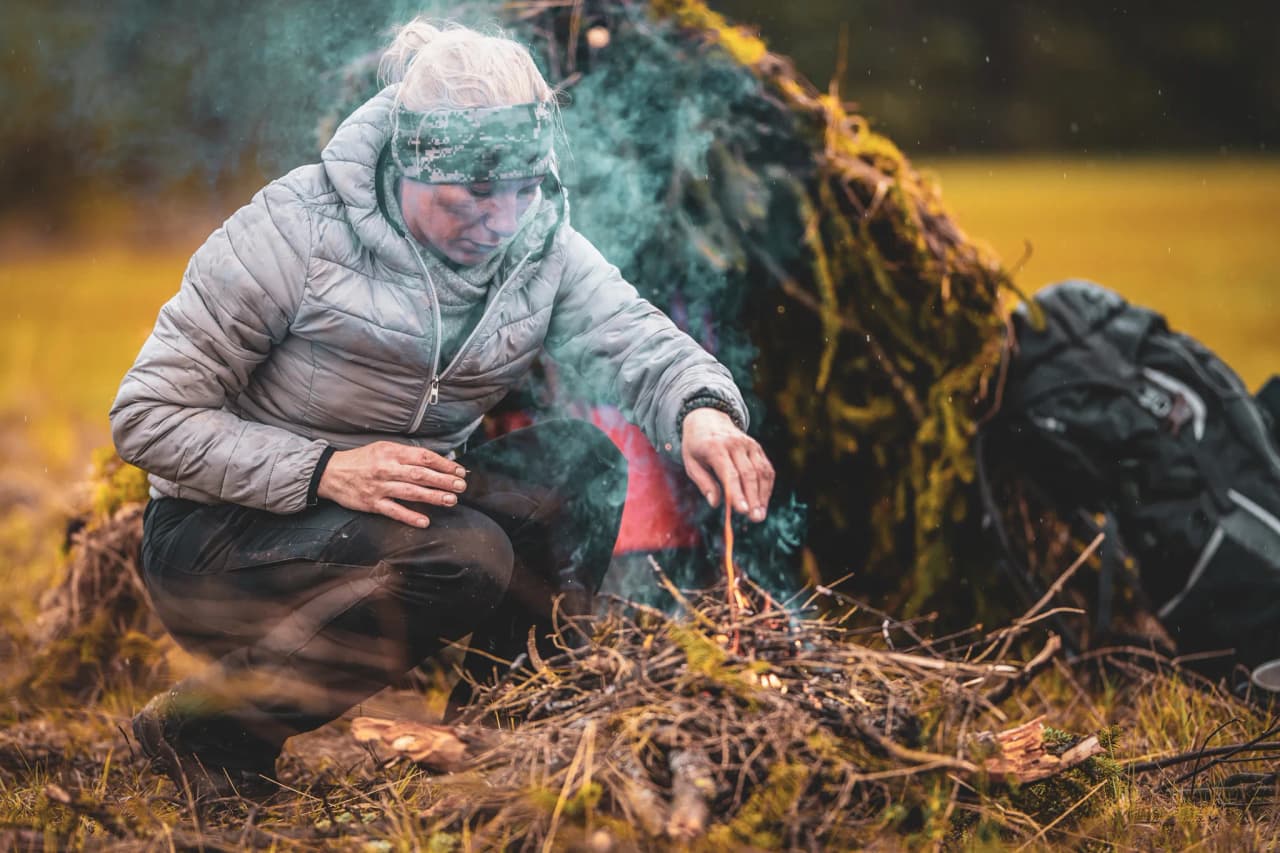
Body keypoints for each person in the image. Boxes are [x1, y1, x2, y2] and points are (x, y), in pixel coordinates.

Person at [110, 19, 775, 799]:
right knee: (467, 555)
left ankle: (499, 738)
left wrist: (702, 408)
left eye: (526, 188)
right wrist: (325, 469)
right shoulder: (294, 229)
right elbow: (148, 414)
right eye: (477, 193)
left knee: (583, 466)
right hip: (221, 544)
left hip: (389, 521)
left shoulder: (538, 246)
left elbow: (637, 339)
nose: (503, 218)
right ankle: (208, 731)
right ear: (410, 163)